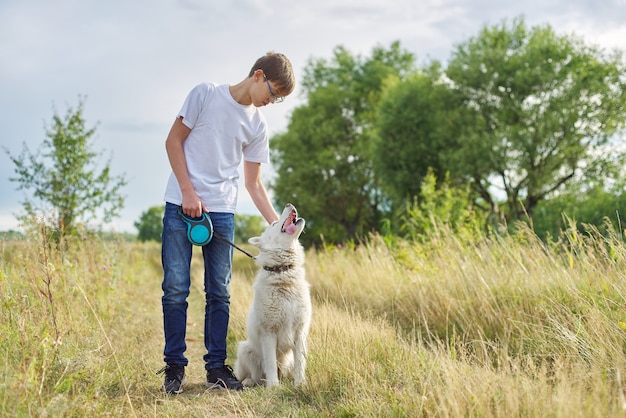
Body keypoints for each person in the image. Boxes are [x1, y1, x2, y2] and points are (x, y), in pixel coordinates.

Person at [157, 52, 295, 394]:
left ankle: (216, 368)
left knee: (219, 291)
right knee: (176, 287)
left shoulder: (257, 125)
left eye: (278, 99)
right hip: (180, 204)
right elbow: (173, 142)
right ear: (258, 75)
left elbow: (254, 184)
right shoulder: (205, 94)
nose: (272, 101)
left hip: (221, 213)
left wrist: (281, 227)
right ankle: (174, 367)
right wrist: (188, 192)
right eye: (274, 93)